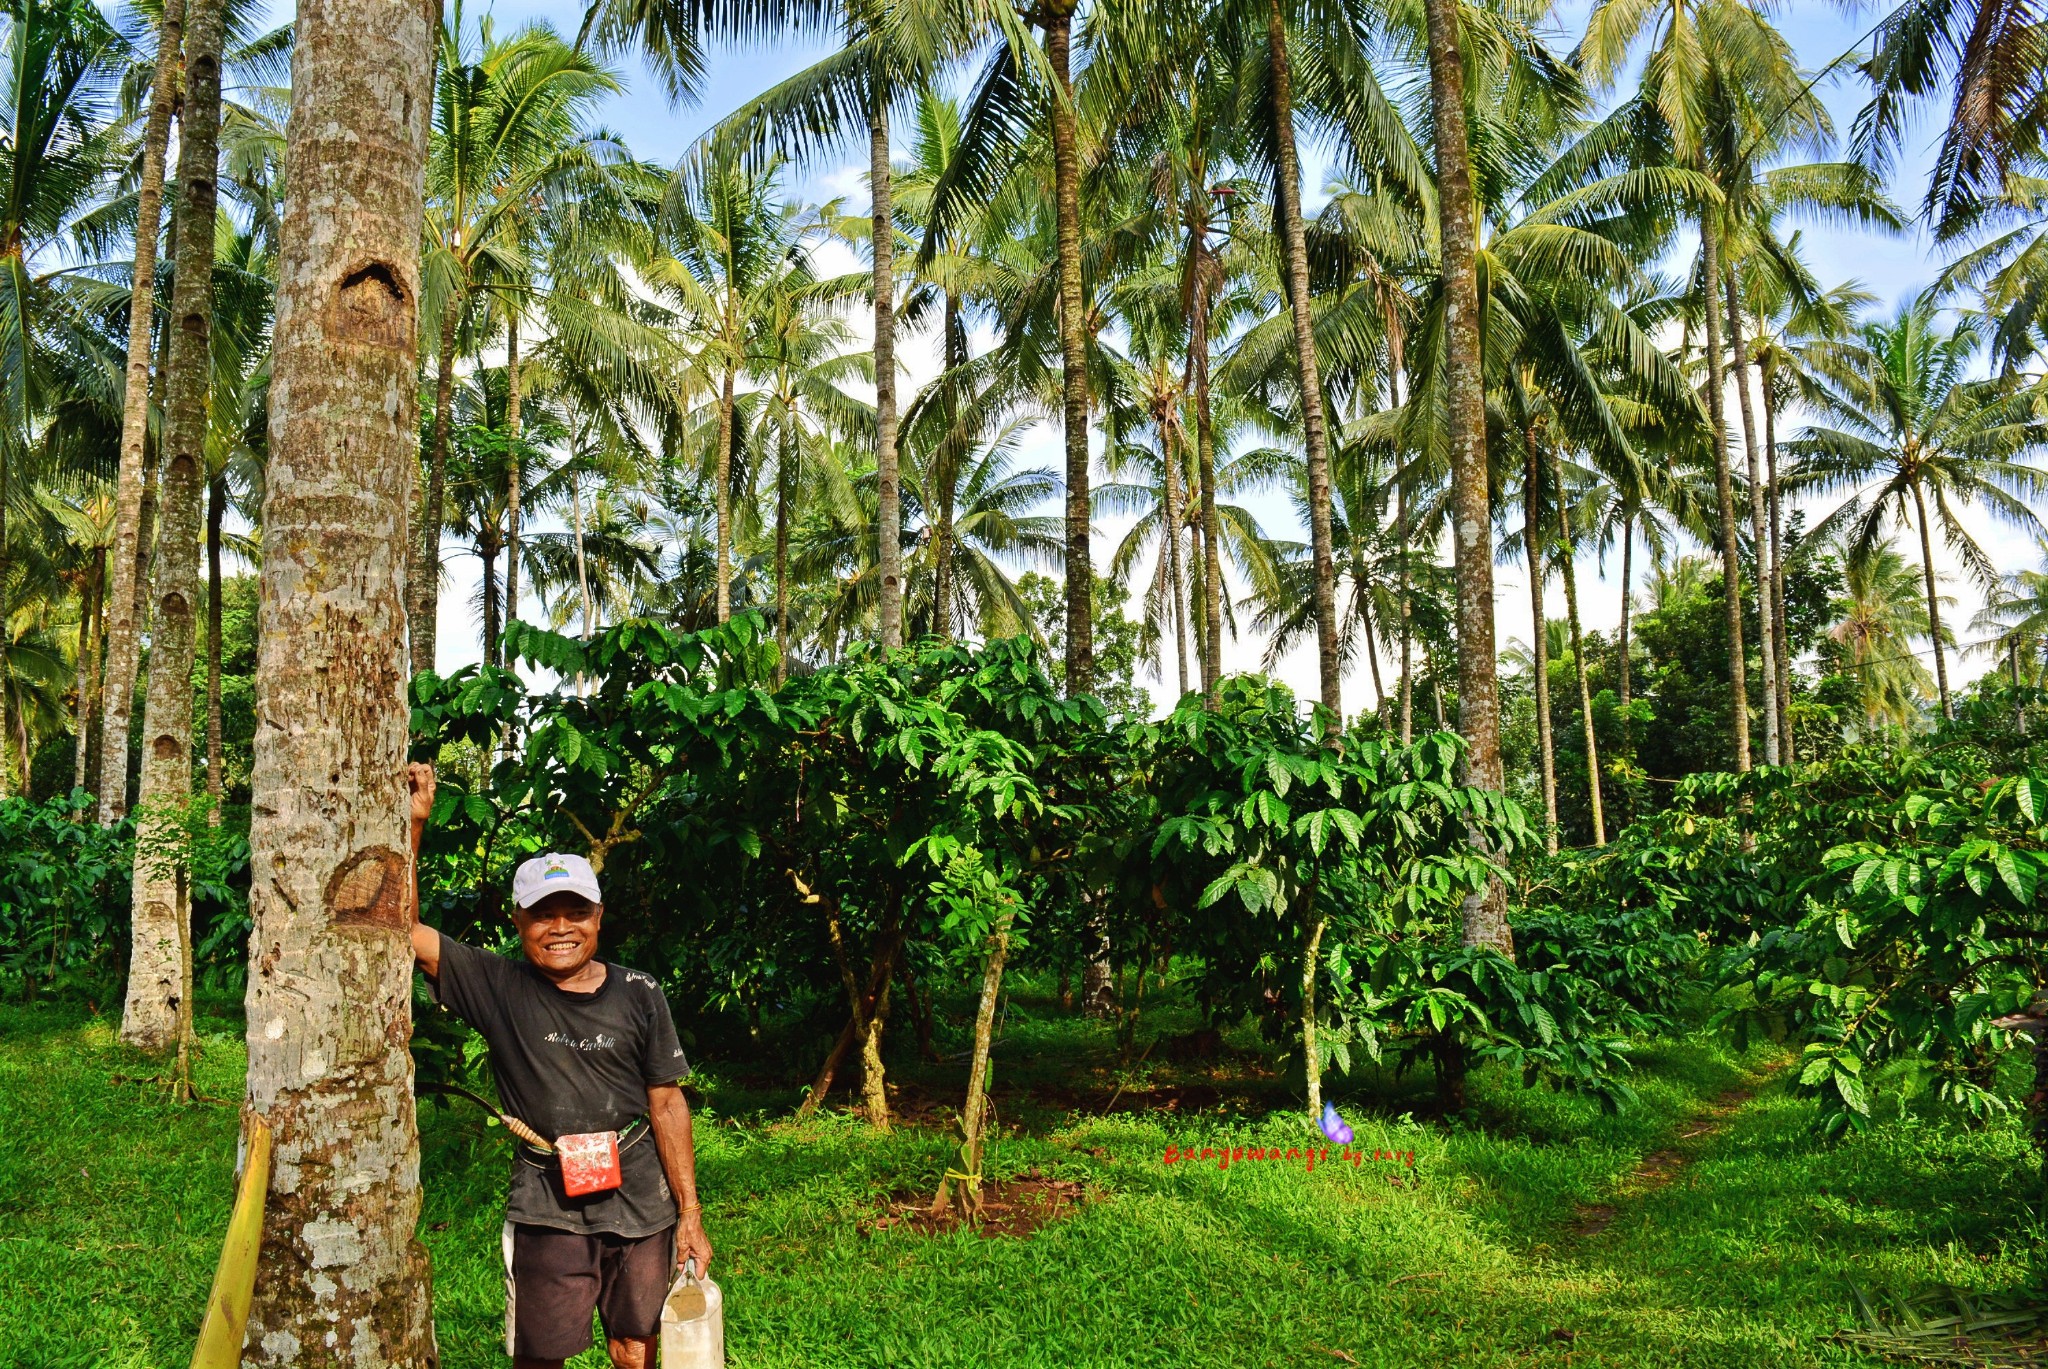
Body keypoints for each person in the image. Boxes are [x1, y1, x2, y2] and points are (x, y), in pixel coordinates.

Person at [405, 762, 713, 1369]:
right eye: (544, 914)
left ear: (599, 917)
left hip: (641, 1195)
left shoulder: (640, 992)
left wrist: (690, 1215)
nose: (561, 929)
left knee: (637, 1344)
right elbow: (404, 929)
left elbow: (668, 1101)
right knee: (541, 1355)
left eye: (576, 912)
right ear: (517, 921)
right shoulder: (496, 983)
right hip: (548, 1200)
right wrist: (415, 826)